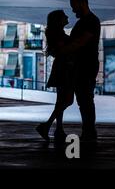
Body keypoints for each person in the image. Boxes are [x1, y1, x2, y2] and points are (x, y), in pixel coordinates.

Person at [62, 0, 101, 141]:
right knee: (84, 100)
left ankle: (89, 131)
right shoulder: (85, 22)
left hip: (86, 65)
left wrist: (62, 51)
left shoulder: (91, 21)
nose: (73, 11)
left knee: (85, 99)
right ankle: (88, 130)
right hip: (84, 65)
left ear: (82, 3)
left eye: (74, 7)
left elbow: (79, 42)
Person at [36, 10, 74, 142]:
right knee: (68, 100)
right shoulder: (58, 35)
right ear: (59, 20)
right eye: (64, 16)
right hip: (65, 69)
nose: (67, 17)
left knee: (61, 101)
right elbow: (62, 51)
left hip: (60, 68)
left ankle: (59, 129)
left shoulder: (57, 34)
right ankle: (47, 126)